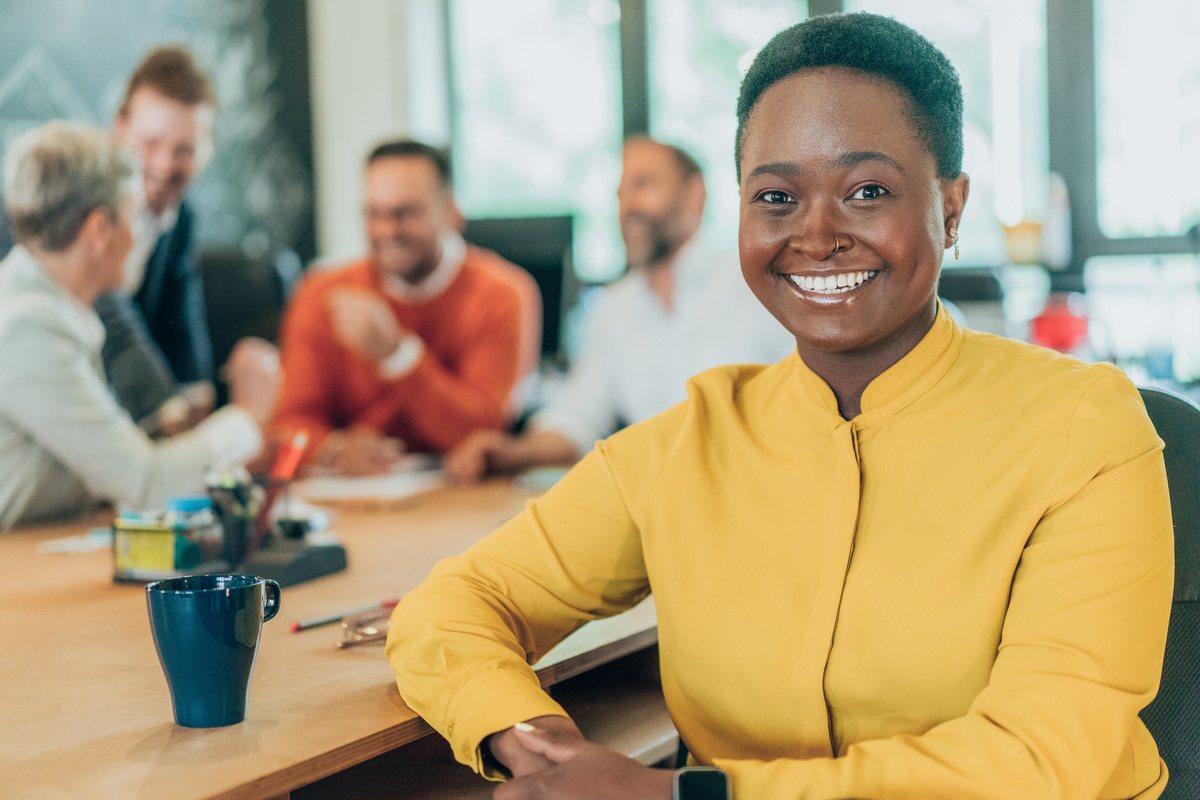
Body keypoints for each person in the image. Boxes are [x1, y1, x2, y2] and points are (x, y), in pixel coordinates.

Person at [388, 13, 1173, 800]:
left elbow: (1038, 760)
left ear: (952, 207)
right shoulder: (685, 444)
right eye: (776, 196)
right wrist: (532, 741)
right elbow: (452, 608)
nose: (817, 234)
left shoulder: (1081, 428)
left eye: (868, 191)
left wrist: (678, 797)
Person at [444, 136, 793, 482]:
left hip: (762, 491)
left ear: (694, 194)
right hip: (666, 509)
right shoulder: (615, 308)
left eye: (642, 185)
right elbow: (579, 417)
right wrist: (508, 452)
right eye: (620, 194)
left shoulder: (758, 283)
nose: (627, 207)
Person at [0, 122, 279, 530]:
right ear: (99, 229)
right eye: (136, 218)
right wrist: (249, 414)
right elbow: (147, 486)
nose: (140, 237)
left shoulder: (50, 307)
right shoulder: (28, 327)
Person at [272, 139, 538, 476]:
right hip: (353, 500)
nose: (386, 230)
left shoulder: (501, 294)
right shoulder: (322, 293)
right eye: (374, 213)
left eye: (405, 213)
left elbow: (481, 432)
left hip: (460, 496)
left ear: (451, 212)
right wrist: (331, 450)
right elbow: (288, 422)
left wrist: (397, 354)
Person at [95, 45, 222, 435]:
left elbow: (180, 320)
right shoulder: (79, 200)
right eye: (150, 144)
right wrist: (175, 418)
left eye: (184, 150)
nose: (165, 165)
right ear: (119, 129)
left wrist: (200, 401)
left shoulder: (181, 214)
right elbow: (111, 318)